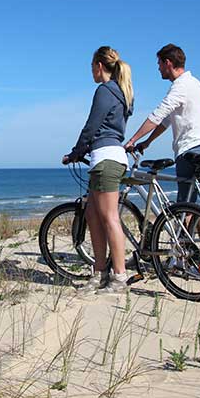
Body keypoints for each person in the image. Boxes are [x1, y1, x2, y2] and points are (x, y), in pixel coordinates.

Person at [62, 46, 133, 294]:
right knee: (92, 214)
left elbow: (91, 127)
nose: (91, 71)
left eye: (91, 66)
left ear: (99, 66)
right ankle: (99, 272)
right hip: (105, 158)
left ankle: (120, 277)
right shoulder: (122, 91)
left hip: (106, 159)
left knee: (109, 217)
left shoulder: (105, 90)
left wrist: (75, 152)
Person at [125, 43, 200, 203]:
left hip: (189, 150)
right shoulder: (194, 82)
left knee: (185, 208)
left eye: (159, 64)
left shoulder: (181, 86)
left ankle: (190, 226)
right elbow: (166, 121)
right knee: (197, 207)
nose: (158, 68)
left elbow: (158, 115)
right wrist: (147, 142)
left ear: (168, 63)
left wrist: (132, 140)